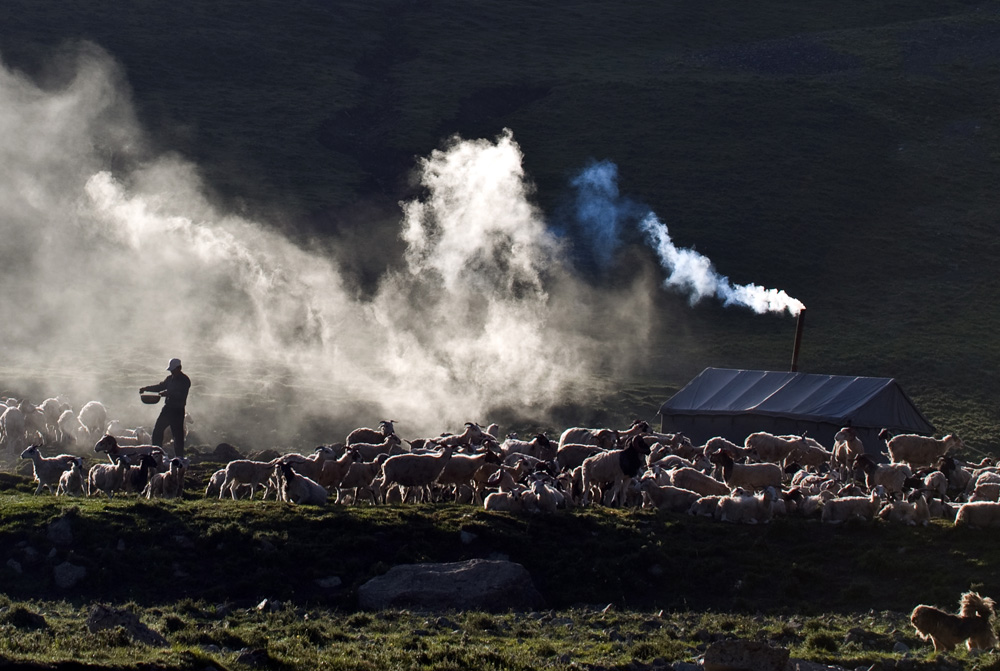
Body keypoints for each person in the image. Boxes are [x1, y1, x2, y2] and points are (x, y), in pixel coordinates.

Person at [140, 358, 191, 458]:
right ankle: (156, 453)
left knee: (178, 436)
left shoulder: (185, 380)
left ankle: (179, 458)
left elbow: (180, 393)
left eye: (173, 369)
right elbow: (160, 386)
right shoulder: (169, 379)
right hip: (167, 409)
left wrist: (168, 393)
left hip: (177, 411)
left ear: (179, 368)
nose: (172, 371)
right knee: (157, 431)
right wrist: (146, 388)